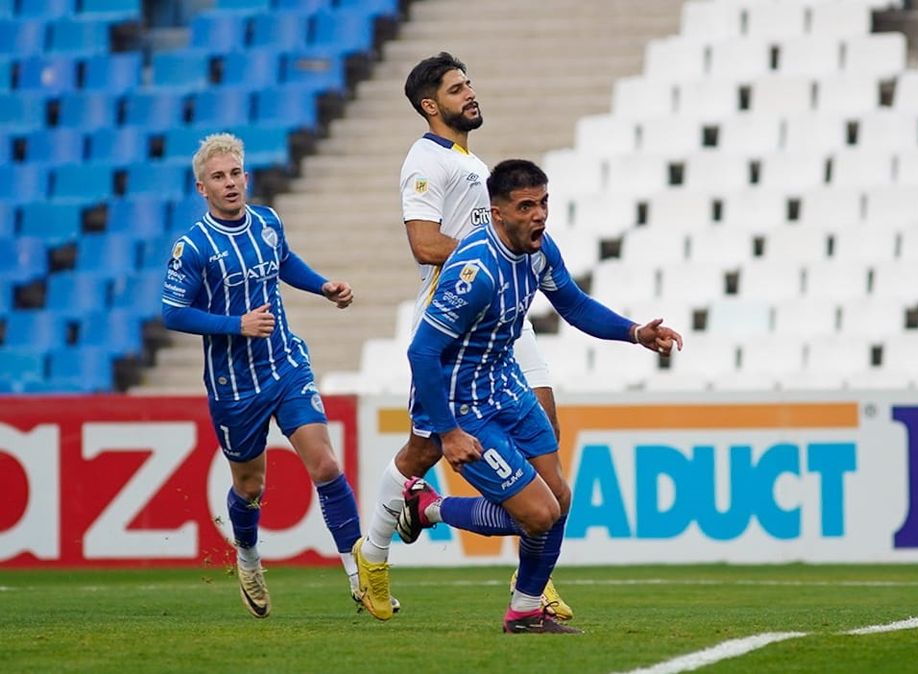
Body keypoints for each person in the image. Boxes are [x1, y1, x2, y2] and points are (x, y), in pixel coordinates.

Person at [361, 158, 683, 633]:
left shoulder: (538, 250)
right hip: (463, 402)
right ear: (497, 213)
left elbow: (572, 304)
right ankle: (425, 507)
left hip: (506, 385)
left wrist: (634, 332)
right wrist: (448, 432)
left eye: (544, 203)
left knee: (559, 499)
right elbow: (422, 352)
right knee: (538, 514)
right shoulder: (474, 271)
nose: (539, 215)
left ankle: (526, 609)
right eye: (526, 206)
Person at [353, 52, 571, 621]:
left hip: (502, 318)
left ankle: (534, 578)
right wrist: (492, 258)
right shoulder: (426, 163)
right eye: (456, 88)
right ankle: (373, 553)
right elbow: (424, 245)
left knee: (547, 440)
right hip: (458, 327)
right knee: (423, 450)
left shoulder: (472, 163)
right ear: (431, 105)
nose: (470, 93)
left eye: (470, 83)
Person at [161, 132, 396, 618]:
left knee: (326, 466)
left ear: (246, 176)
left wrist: (322, 285)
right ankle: (247, 557)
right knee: (250, 488)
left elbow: (284, 262)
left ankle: (361, 577)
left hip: (286, 364)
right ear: (201, 188)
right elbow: (171, 312)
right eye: (218, 177)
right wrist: (236, 325)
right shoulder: (193, 247)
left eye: (235, 174)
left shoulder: (267, 222)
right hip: (234, 387)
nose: (230, 184)